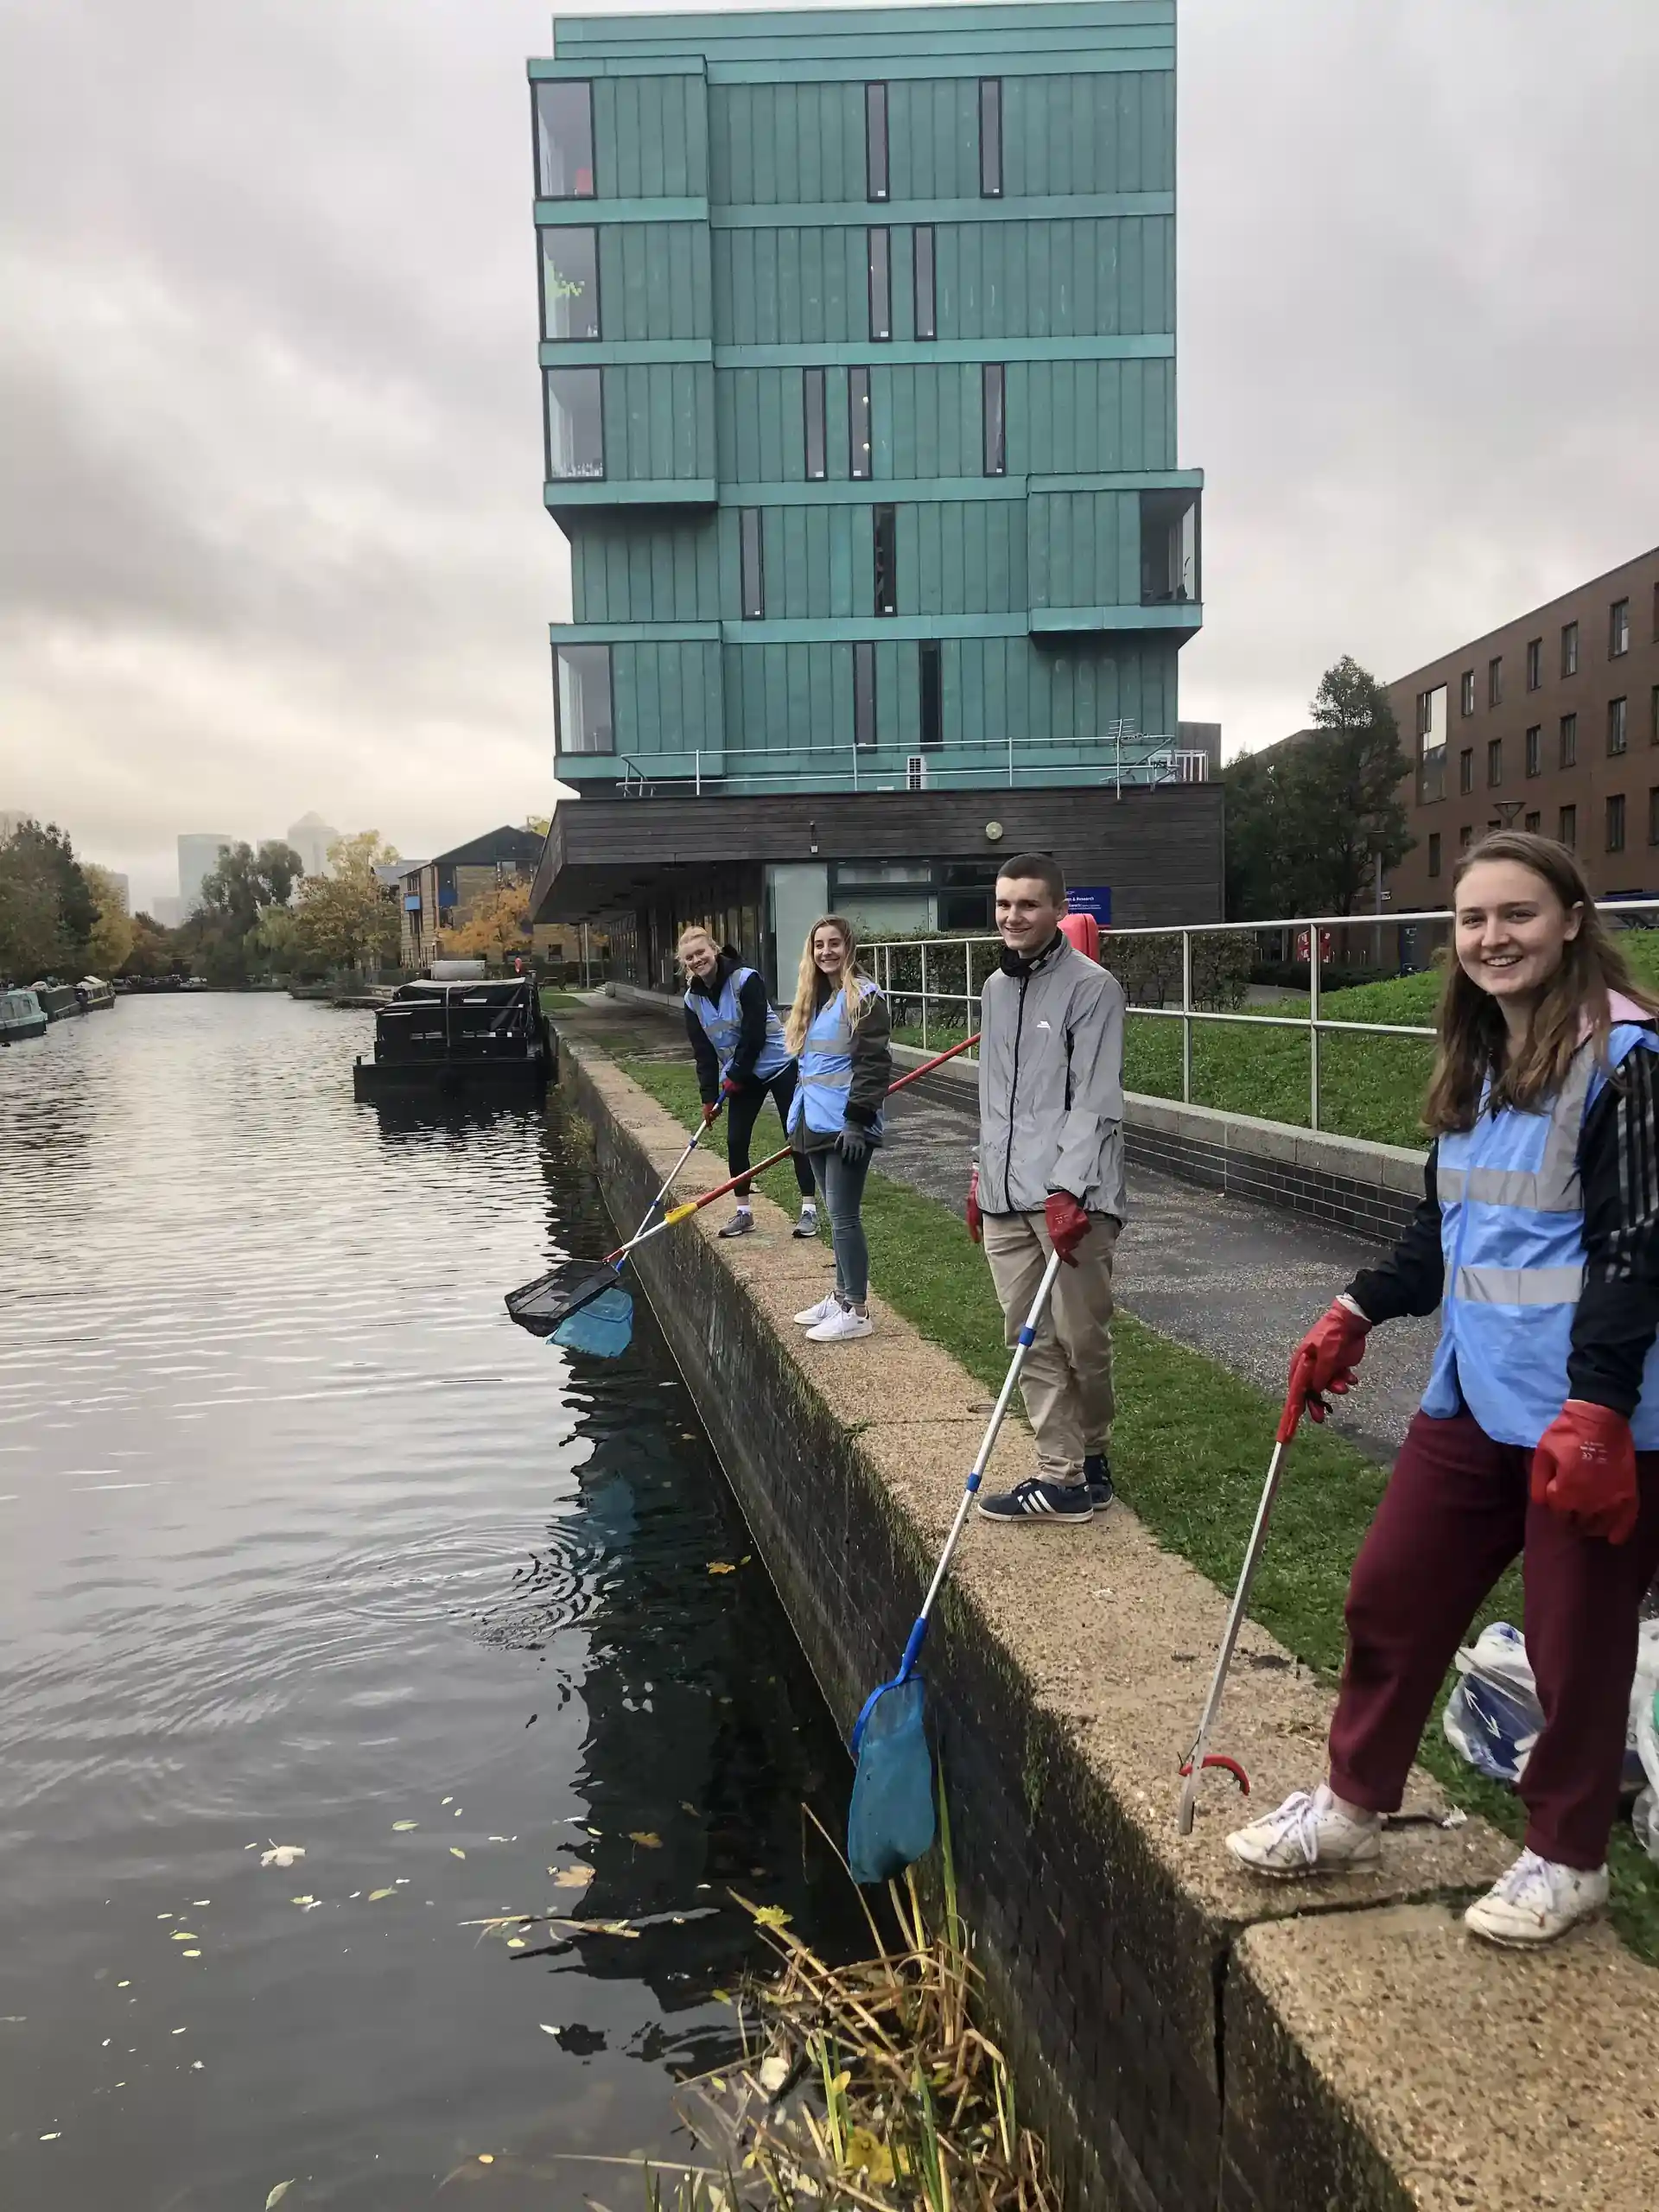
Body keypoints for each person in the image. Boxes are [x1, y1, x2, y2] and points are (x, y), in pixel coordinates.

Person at [1226, 831, 1659, 1948]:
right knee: (1389, 1594)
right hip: (1474, 1398)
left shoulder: (1627, 1060)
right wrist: (1356, 1310)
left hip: (1591, 1417)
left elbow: (1637, 1247)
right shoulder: (1472, 1060)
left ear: (1571, 920)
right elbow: (1443, 1231)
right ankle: (1354, 1801)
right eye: (1472, 920)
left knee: (1576, 1648)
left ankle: (1567, 1859)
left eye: (1516, 915)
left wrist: (1604, 1409)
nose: (1492, 938)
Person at [968, 854, 1126, 1523]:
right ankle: (1060, 1475)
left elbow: (1094, 1098)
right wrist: (980, 1177)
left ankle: (1092, 1454)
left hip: (1072, 1198)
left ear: (1059, 908)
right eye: (1004, 904)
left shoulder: (1094, 988)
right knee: (1026, 1339)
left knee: (1081, 1339)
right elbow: (994, 1098)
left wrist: (1068, 1190)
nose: (1012, 916)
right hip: (1006, 1197)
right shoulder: (995, 990)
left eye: (1027, 904)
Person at [783, 915, 893, 1344]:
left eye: (834, 944)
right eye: (818, 945)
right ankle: (841, 1294)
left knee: (845, 1218)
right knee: (833, 1215)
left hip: (846, 1125)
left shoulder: (863, 997)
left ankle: (857, 1310)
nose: (826, 952)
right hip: (814, 1121)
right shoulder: (815, 999)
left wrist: (857, 1121)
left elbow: (873, 1064)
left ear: (849, 947)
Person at [679, 925, 818, 1238]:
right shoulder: (692, 1000)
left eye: (701, 952)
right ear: (684, 963)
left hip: (778, 1065)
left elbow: (753, 1035)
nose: (697, 959)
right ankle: (743, 1212)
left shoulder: (746, 979)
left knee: (795, 1135)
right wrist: (708, 1097)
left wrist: (734, 1074)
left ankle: (809, 1209)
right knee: (735, 1141)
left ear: (713, 949)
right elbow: (703, 1053)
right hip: (742, 1075)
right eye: (690, 957)